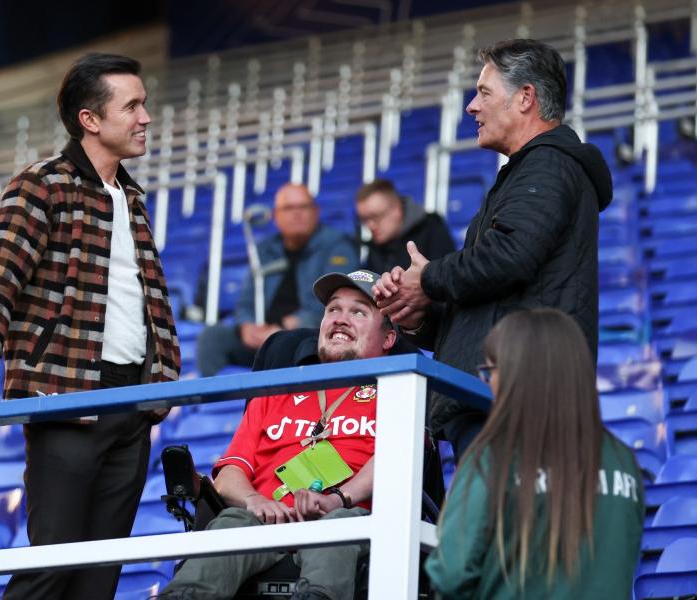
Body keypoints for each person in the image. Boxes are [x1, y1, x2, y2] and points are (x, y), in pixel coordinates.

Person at [0, 53, 180, 600]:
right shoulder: (39, 184)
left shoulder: (132, 198)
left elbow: (146, 300)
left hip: (132, 401)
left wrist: (163, 379)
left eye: (145, 103)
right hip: (62, 397)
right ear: (90, 120)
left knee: (101, 573)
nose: (146, 117)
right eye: (132, 105)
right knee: (52, 563)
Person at [373, 39, 613, 458]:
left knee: (506, 521)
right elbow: (494, 302)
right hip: (500, 389)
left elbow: (509, 256)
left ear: (525, 98)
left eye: (484, 92)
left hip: (519, 390)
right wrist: (418, 313)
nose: (471, 106)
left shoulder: (549, 165)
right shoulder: (530, 171)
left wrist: (427, 279)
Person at [161, 269, 396, 600]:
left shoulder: (397, 392)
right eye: (333, 309)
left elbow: (395, 460)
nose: (340, 319)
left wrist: (336, 499)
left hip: (344, 519)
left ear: (388, 339)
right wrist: (255, 500)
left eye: (359, 311)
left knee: (338, 528)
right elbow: (229, 476)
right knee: (232, 523)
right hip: (265, 523)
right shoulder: (276, 391)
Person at [425, 308, 644, 598]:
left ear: (519, 374)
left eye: (491, 371)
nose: (488, 383)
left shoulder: (493, 456)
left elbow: (451, 574)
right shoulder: (624, 460)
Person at [197, 183, 358, 376]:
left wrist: (285, 327)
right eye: (289, 208)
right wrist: (246, 326)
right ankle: (210, 405)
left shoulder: (338, 246)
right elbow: (246, 302)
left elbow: (337, 301)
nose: (297, 214)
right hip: (264, 337)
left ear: (316, 211)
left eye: (303, 207)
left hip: (307, 336)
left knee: (294, 343)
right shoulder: (266, 250)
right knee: (212, 337)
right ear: (276, 216)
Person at [354, 178, 456, 275]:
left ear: (396, 210)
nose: (370, 225)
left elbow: (447, 279)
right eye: (364, 219)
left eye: (376, 216)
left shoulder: (432, 230)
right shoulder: (375, 245)